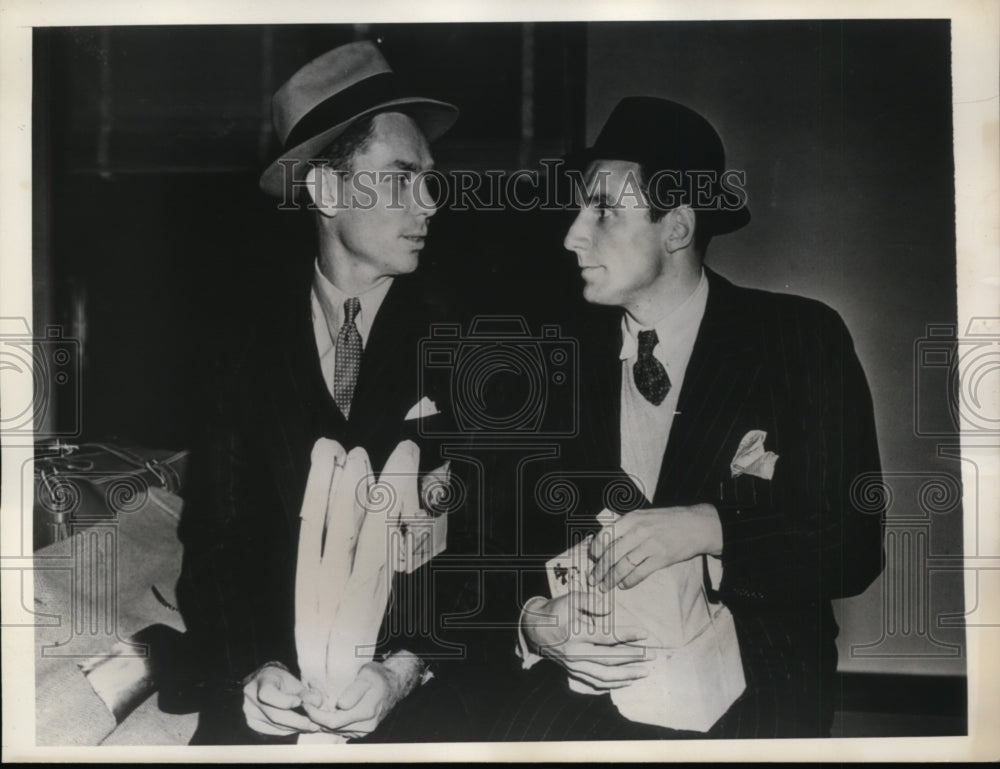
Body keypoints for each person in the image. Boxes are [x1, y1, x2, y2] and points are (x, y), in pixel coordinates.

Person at [492, 96, 886, 739]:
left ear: (675, 227)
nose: (572, 234)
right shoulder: (545, 358)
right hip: (582, 698)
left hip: (755, 694)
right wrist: (534, 620)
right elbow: (500, 538)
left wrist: (709, 527)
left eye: (604, 212)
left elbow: (853, 545)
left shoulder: (799, 338)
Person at [176, 40, 468, 744]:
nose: (429, 199)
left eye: (430, 178)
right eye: (401, 177)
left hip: (425, 698)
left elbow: (492, 544)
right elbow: (214, 545)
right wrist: (252, 669)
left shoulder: (472, 340)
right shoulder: (238, 350)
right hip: (277, 705)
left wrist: (404, 668)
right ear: (327, 191)